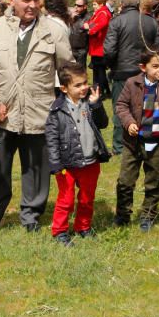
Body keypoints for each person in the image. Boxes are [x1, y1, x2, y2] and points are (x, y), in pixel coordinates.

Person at [0, 0, 73, 235]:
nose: (32, 4)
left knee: (36, 169)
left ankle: (31, 216)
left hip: (40, 112)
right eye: (26, 0)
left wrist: (70, 103)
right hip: (2, 114)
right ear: (11, 0)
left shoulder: (54, 30)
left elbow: (68, 69)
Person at [114, 50, 159, 231]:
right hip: (134, 142)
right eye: (155, 66)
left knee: (153, 181)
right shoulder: (132, 83)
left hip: (158, 141)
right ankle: (123, 215)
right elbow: (121, 105)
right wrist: (129, 122)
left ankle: (148, 215)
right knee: (125, 181)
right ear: (143, 67)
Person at [45, 64, 110, 246]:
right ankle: (60, 231)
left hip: (90, 161)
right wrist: (56, 164)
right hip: (68, 164)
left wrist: (97, 105)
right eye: (78, 85)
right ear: (64, 88)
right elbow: (51, 139)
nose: (84, 88)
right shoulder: (57, 110)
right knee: (66, 200)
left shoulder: (90, 103)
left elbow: (103, 123)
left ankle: (83, 227)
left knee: (87, 198)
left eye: (85, 83)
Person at [103, 0, 157, 154]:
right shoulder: (150, 22)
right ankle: (147, 141)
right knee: (146, 106)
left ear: (123, 4)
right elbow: (158, 46)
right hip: (144, 71)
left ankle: (120, 146)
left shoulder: (117, 22)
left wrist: (111, 66)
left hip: (122, 72)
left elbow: (109, 50)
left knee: (121, 108)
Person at [84, 0, 112, 98]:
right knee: (98, 70)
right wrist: (89, 26)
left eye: (95, 4)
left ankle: (100, 92)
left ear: (101, 4)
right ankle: (105, 91)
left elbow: (99, 25)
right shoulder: (100, 13)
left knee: (99, 70)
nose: (93, 6)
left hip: (100, 46)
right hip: (97, 46)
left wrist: (89, 29)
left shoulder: (103, 13)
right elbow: (91, 22)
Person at [68, 0, 91, 70]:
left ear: (85, 6)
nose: (76, 7)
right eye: (75, 5)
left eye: (79, 6)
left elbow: (92, 31)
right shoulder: (72, 16)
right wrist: (70, 18)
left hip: (81, 50)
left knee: (80, 72)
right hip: (70, 49)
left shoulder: (89, 17)